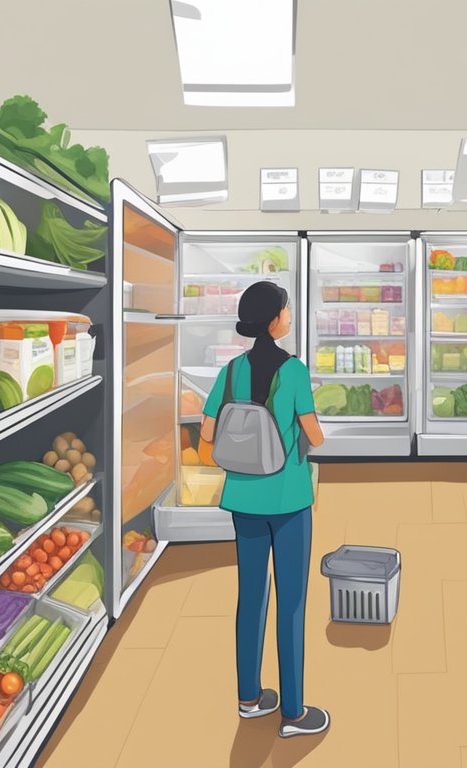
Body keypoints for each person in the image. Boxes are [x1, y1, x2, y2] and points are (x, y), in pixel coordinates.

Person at [200, 281, 330, 739]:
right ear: (274, 319)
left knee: (251, 596)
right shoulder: (293, 371)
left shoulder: (230, 370)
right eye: (286, 309)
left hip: (243, 499)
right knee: (291, 602)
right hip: (290, 500)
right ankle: (293, 712)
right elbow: (315, 437)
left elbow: (207, 435)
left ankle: (249, 698)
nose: (290, 314)